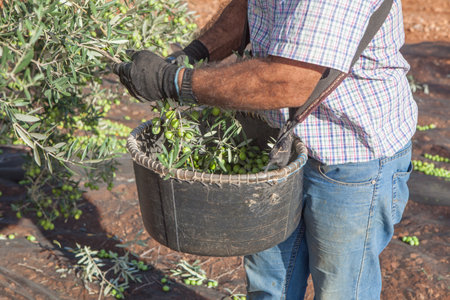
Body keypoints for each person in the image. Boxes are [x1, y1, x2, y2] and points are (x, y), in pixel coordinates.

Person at [114, 0, 417, 299]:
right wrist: (194, 54)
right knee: (268, 283)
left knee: (342, 289)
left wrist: (174, 82)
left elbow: (287, 80)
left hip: (349, 159)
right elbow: (252, 6)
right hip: (276, 147)